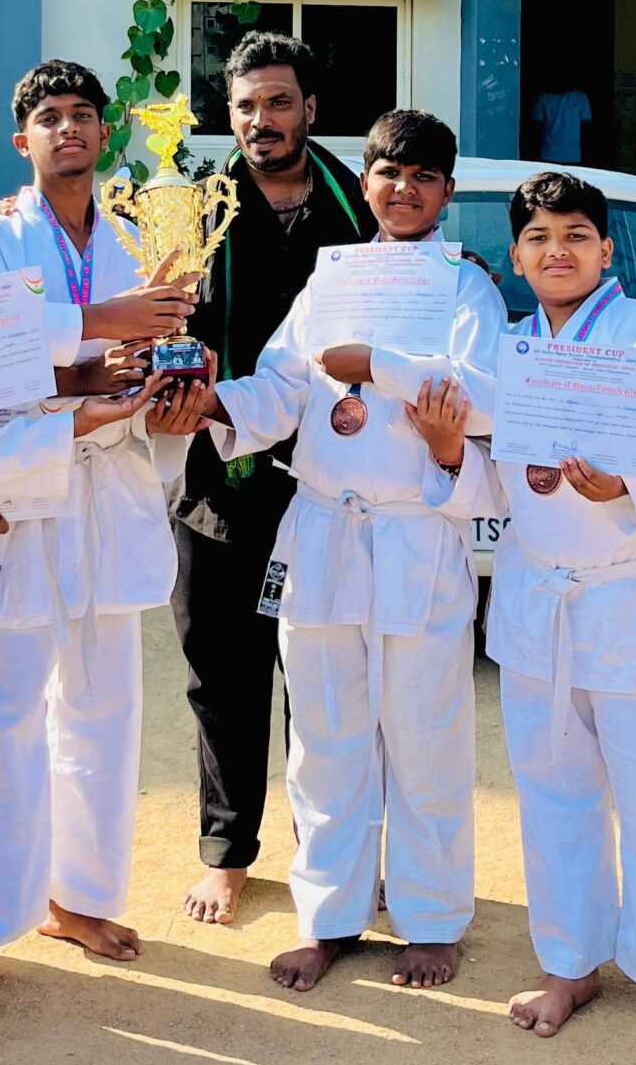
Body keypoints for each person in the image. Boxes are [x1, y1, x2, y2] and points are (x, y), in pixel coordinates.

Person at [163, 108, 504, 993]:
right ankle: (328, 915)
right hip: (323, 530)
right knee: (325, 738)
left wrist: (376, 364)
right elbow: (281, 386)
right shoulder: (331, 278)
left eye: (424, 177)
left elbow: (480, 395)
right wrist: (212, 403)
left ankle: (431, 919)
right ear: (366, 181)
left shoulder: (464, 286)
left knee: (424, 735)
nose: (404, 189)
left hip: (413, 532)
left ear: (447, 193)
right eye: (389, 173)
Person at [460, 173, 636, 1050]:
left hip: (631, 588)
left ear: (607, 250)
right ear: (515, 257)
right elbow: (491, 479)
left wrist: (630, 482)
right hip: (537, 591)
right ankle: (570, 960)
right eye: (539, 237)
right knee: (553, 788)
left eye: (577, 235)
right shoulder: (508, 350)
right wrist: (445, 448)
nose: (559, 251)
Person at [0, 60, 193, 1016]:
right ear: (24, 140)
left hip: (113, 483)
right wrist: (94, 343)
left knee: (104, 706)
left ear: (106, 130)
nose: (71, 128)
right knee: (2, 714)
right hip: (25, 482)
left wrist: (175, 386)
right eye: (50, 117)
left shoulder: (138, 232)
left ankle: (78, 898)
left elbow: (163, 345)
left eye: (85, 114)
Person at [172, 31, 368, 924]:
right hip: (222, 474)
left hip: (334, 480)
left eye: (280, 102)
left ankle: (329, 852)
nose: (262, 120)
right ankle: (229, 851)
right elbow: (165, 324)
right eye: (246, 105)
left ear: (310, 109)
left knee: (330, 680)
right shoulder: (196, 210)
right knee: (223, 671)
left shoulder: (361, 208)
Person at [530, 79, 594, 164]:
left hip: (573, 155)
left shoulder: (581, 97)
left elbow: (586, 129)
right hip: (548, 154)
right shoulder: (544, 97)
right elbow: (535, 128)